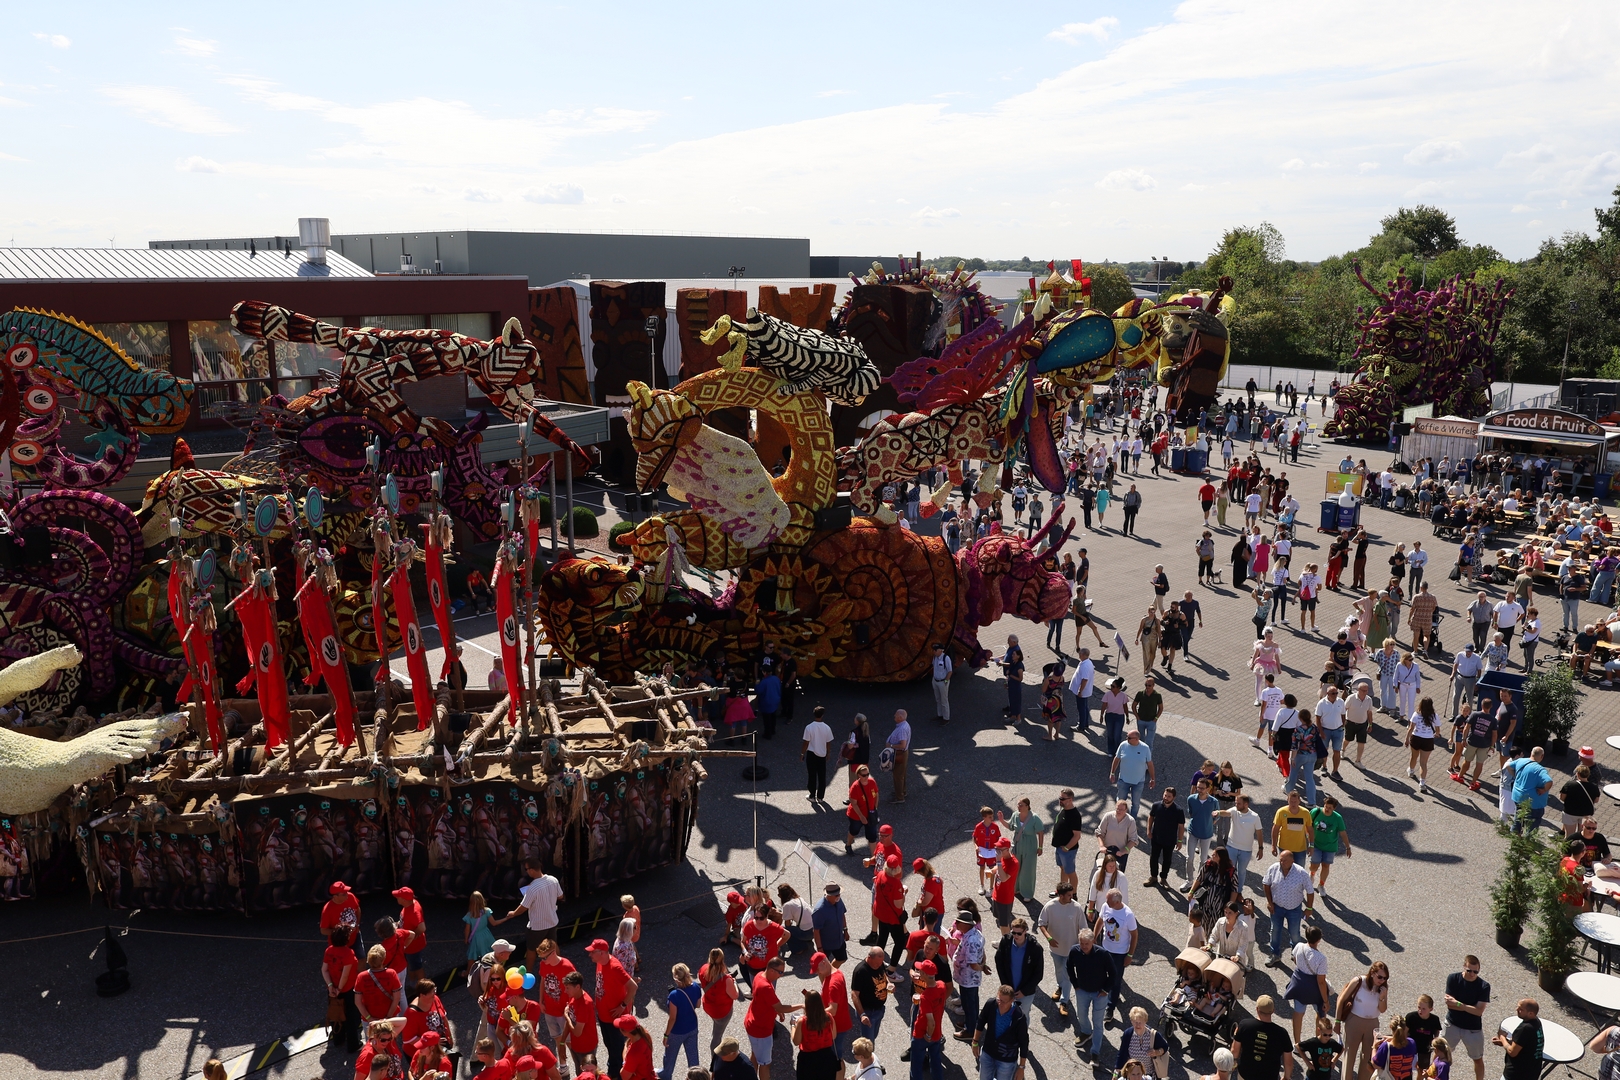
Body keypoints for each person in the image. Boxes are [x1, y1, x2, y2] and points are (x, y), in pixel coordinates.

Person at [498, 859, 564, 972]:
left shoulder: (532, 888)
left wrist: (513, 913)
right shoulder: (553, 880)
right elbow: (560, 896)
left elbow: (523, 907)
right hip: (552, 920)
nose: (526, 871)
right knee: (553, 945)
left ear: (532, 870)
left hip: (537, 925)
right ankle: (559, 968)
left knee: (531, 949)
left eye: (526, 869)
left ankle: (528, 972)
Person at [588, 937, 639, 1078]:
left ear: (602, 953)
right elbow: (600, 984)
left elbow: (633, 987)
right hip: (603, 1015)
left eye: (592, 952)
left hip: (614, 1018)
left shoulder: (615, 967)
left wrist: (622, 1005)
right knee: (609, 1044)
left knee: (617, 1049)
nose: (590, 955)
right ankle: (613, 1068)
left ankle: (618, 1074)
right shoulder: (600, 962)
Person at [744, 957, 800, 1080]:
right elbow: (781, 1007)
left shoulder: (759, 975)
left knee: (755, 1055)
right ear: (771, 971)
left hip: (751, 1023)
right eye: (780, 972)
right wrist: (801, 1005)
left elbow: (767, 1002)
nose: (782, 975)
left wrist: (776, 1010)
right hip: (761, 1030)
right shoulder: (766, 987)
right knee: (765, 1064)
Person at [1337, 961, 1390, 1080]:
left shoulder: (1383, 988)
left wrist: (1382, 998)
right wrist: (1337, 1021)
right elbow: (1341, 1000)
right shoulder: (1359, 981)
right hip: (1354, 1021)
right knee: (1350, 1054)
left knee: (1368, 1057)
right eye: (1380, 977)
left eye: (1385, 978)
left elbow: (1382, 1010)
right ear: (1372, 972)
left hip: (1372, 1023)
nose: (1382, 980)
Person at [1262, 849, 1315, 965]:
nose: (1282, 862)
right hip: (1276, 907)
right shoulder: (1273, 868)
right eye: (1281, 860)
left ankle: (1296, 953)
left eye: (1285, 860)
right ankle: (1275, 954)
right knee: (1275, 931)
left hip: (1294, 909)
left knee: (1294, 933)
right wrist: (1269, 902)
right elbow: (1266, 884)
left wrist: (1309, 908)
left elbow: (1310, 891)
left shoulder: (1301, 873)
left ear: (1292, 860)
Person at [1442, 957, 1490, 1080]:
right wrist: (1469, 1008)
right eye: (1469, 970)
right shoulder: (1453, 978)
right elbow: (1449, 1005)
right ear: (1464, 966)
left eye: (1475, 971)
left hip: (1473, 1029)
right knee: (1441, 1053)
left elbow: (1479, 1012)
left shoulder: (1484, 986)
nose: (1472, 974)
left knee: (1477, 1059)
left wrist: (1459, 1004)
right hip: (1452, 1025)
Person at [1092, 889, 1137, 1022]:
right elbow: (1100, 921)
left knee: (1115, 980)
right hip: (1105, 948)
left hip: (1120, 953)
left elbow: (1134, 935)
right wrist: (1094, 937)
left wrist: (1130, 954)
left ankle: (1110, 1008)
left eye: (1109, 900)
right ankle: (1103, 995)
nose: (1106, 902)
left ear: (1117, 902)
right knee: (1102, 974)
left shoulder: (1128, 915)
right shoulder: (1106, 907)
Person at [972, 984, 1031, 1080]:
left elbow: (1024, 1042)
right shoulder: (991, 1004)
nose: (1000, 1004)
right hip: (988, 1053)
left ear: (1012, 1001)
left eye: (1004, 1001)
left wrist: (1021, 1067)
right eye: (999, 1000)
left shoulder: (1019, 1017)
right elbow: (980, 1022)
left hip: (1006, 1061)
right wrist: (975, 1042)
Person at [1231, 995, 1294, 1080]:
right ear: (1273, 1011)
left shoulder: (1244, 1025)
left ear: (1257, 1009)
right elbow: (1288, 1063)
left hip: (1246, 1074)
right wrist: (1286, 1077)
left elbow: (1234, 1051)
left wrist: (1233, 1063)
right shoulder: (1282, 1033)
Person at [1286, 926, 1330, 1044]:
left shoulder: (1299, 946)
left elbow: (1295, 959)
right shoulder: (1321, 958)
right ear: (1319, 939)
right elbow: (1321, 981)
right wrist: (1325, 1001)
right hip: (1314, 989)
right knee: (1320, 1013)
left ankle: (1297, 1043)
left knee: (1298, 1012)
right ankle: (1318, 1042)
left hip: (1299, 985)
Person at [950, 910, 988, 1043]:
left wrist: (982, 967)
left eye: (958, 922)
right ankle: (971, 1023)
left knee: (969, 1004)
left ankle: (970, 1031)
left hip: (968, 978)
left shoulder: (971, 940)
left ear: (965, 924)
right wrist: (983, 963)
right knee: (972, 1002)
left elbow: (972, 964)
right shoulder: (975, 933)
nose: (956, 924)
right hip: (968, 978)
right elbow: (982, 952)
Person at [906, 960, 948, 1080]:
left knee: (916, 1066)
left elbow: (931, 1021)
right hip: (937, 1033)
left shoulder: (925, 997)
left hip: (922, 1034)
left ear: (924, 974)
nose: (918, 972)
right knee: (935, 1062)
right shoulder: (942, 985)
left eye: (920, 971)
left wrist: (928, 1035)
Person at [324, 927, 363, 1053]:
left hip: (332, 990)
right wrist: (339, 989)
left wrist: (331, 986)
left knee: (336, 1013)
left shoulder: (329, 950)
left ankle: (338, 1039)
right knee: (351, 1016)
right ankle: (353, 1044)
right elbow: (345, 975)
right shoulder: (348, 953)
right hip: (347, 989)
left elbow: (324, 970)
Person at [700, 950, 739, 1066]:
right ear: (722, 960)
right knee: (717, 1036)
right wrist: (734, 983)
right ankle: (715, 1060)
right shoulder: (726, 979)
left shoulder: (703, 969)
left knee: (716, 1026)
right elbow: (735, 995)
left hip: (708, 1006)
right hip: (722, 1012)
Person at [791, 989, 838, 1080]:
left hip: (808, 1059)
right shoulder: (828, 1017)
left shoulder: (803, 1021)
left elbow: (796, 1041)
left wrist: (793, 1026)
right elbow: (834, 1036)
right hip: (827, 1057)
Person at [1146, 785, 1186, 889]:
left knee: (1167, 860)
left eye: (1169, 796)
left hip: (1170, 840)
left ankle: (1163, 879)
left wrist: (1180, 840)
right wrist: (1148, 830)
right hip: (1156, 838)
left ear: (1174, 797)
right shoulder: (1156, 805)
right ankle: (1153, 877)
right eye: (1165, 795)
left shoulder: (1178, 810)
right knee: (1153, 858)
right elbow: (1151, 817)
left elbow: (1181, 827)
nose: (1166, 798)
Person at [1111, 729, 1155, 817]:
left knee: (1135, 803)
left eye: (1129, 738)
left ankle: (1132, 820)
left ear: (1137, 739)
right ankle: (1119, 818)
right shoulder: (1123, 745)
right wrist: (1112, 773)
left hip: (1138, 782)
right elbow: (1116, 759)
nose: (1127, 739)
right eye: (1127, 737)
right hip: (1123, 780)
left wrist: (1152, 778)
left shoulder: (1145, 748)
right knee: (1120, 801)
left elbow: (1150, 764)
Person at [1049, 788, 1085, 897]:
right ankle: (1062, 891)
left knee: (1070, 872)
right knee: (1063, 869)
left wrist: (1067, 848)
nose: (1060, 800)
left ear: (1070, 799)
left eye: (1063, 799)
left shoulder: (1074, 815)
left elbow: (1077, 835)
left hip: (1068, 850)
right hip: (1059, 847)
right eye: (1060, 798)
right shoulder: (1063, 810)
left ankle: (1073, 895)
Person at [850, 948, 889, 1044]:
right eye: (877, 963)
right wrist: (862, 1014)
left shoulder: (880, 964)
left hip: (879, 1009)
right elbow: (854, 994)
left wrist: (889, 983)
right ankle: (861, 1053)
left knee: (873, 1036)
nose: (879, 965)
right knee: (868, 1043)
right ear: (869, 957)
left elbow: (884, 975)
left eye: (881, 962)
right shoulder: (860, 971)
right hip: (868, 1012)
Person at [1509, 747, 1554, 831]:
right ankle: (1528, 837)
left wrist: (1515, 776)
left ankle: (1514, 834)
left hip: (1518, 797)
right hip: (1533, 803)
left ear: (1531, 753)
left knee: (1518, 817)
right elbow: (1549, 781)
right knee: (1532, 825)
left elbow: (1508, 766)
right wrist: (1544, 790)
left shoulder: (1520, 761)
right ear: (1542, 756)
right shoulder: (1540, 770)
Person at [1405, 698, 1441, 794]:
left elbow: (1411, 728)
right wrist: (1436, 734)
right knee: (1423, 763)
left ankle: (1411, 771)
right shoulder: (1435, 716)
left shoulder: (1416, 714)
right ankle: (1422, 783)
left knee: (1414, 756)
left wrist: (1407, 739)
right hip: (1428, 740)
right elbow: (1438, 730)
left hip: (1416, 738)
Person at [801, 707, 834, 802]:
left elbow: (806, 742)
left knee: (812, 775)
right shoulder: (827, 728)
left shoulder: (809, 727)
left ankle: (812, 795)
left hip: (811, 754)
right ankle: (820, 797)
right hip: (822, 754)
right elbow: (828, 742)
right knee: (822, 776)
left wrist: (802, 753)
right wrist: (828, 752)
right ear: (822, 715)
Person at [811, 884, 849, 965]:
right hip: (826, 945)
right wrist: (820, 948)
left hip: (839, 940)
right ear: (829, 895)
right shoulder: (820, 910)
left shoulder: (838, 901)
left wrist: (845, 930)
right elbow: (816, 931)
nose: (839, 896)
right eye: (836, 895)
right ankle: (827, 972)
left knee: (842, 959)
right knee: (822, 965)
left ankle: (831, 970)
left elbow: (842, 914)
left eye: (839, 894)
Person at [1097, 799, 1140, 871]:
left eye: (1122, 809)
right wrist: (1102, 846)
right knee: (1107, 872)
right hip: (1108, 851)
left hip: (1121, 852)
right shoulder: (1108, 816)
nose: (1119, 811)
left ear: (1126, 810)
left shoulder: (1130, 821)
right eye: (1117, 809)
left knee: (1119, 874)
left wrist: (1124, 850)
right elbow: (1099, 832)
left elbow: (1133, 840)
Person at [1407, 995, 1444, 1073]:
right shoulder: (1411, 1017)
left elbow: (1437, 1031)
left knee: (1422, 1070)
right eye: (1419, 1007)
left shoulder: (1434, 1019)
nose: (1420, 1010)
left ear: (1431, 1009)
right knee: (1407, 1068)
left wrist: (1435, 1041)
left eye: (1424, 1009)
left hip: (1425, 1049)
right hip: (1411, 1047)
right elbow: (1404, 1031)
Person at [885, 712, 911, 803]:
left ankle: (899, 797)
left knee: (898, 775)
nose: (894, 716)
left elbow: (902, 745)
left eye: (895, 715)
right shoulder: (904, 725)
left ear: (900, 717)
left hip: (899, 753)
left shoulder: (902, 729)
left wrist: (890, 745)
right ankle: (902, 791)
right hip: (903, 753)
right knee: (902, 774)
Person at [1133, 676, 1165, 747]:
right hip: (1141, 720)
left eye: (1149, 685)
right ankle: (1141, 753)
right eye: (1146, 685)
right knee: (1141, 740)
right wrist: (1137, 717)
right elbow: (1134, 705)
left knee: (1149, 742)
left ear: (1153, 685)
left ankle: (1148, 754)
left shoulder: (1157, 695)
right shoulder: (1140, 694)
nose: (1147, 687)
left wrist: (1155, 719)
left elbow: (1161, 708)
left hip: (1151, 721)